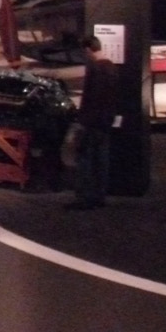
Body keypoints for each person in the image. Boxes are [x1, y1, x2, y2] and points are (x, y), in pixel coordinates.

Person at [71, 34, 119, 209]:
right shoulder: (111, 67)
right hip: (106, 120)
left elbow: (92, 97)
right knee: (101, 159)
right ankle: (99, 196)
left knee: (85, 159)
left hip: (91, 121)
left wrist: (82, 121)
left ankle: (84, 198)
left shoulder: (96, 68)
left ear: (87, 49)